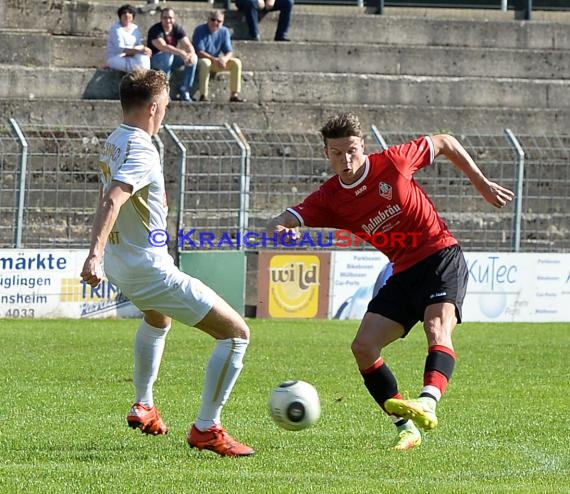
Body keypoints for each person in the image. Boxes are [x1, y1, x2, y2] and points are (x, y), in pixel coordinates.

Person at [267, 113, 514, 451]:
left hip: (441, 256)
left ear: (363, 146)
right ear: (327, 154)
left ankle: (428, 401)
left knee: (436, 327)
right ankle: (407, 427)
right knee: (363, 347)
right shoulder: (331, 197)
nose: (346, 159)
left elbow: (444, 141)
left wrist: (480, 183)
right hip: (402, 273)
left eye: (352, 150)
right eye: (337, 153)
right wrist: (282, 229)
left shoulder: (393, 162)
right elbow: (284, 219)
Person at [80, 69, 254, 457]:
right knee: (236, 334)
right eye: (167, 107)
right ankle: (207, 428)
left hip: (124, 262)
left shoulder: (114, 140)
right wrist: (93, 255)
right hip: (148, 268)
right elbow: (112, 199)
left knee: (158, 319)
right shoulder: (142, 147)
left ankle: (144, 404)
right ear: (155, 108)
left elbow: (123, 197)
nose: (166, 114)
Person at [192, 10, 245, 103]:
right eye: (213, 20)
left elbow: (229, 51)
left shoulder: (224, 31)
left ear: (222, 22)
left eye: (219, 21)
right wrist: (214, 59)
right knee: (205, 62)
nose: (215, 23)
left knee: (236, 62)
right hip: (201, 61)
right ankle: (203, 95)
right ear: (208, 20)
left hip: (216, 61)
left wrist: (224, 59)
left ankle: (234, 95)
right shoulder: (200, 30)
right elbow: (199, 51)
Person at [147, 7, 197, 102]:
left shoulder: (177, 28)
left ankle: (185, 90)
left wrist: (191, 53)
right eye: (165, 18)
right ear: (161, 18)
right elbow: (163, 47)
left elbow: (187, 44)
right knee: (167, 55)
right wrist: (181, 52)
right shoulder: (155, 30)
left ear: (174, 19)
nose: (168, 20)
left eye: (170, 18)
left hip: (170, 60)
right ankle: (164, 92)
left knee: (193, 59)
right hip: (155, 60)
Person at [106, 4, 151, 72]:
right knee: (140, 66)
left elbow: (139, 45)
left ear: (133, 16)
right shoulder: (116, 28)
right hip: (117, 57)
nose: (127, 15)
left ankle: (143, 76)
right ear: (120, 16)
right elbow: (120, 49)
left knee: (144, 57)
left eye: (130, 13)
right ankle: (142, 77)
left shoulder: (135, 28)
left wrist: (145, 49)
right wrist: (139, 50)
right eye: (124, 13)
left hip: (131, 55)